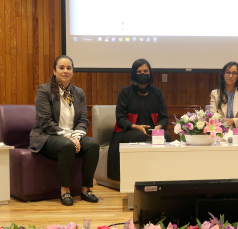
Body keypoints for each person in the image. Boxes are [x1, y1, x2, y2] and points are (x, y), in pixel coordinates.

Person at [29, 55, 100, 206]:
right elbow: (45, 121)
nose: (65, 71)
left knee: (92, 144)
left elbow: (83, 120)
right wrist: (68, 137)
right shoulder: (44, 90)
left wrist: (75, 136)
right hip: (47, 136)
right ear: (54, 71)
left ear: (73, 72)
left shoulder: (78, 92)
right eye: (61, 68)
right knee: (66, 145)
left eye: (69, 68)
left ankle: (86, 189)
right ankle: (65, 190)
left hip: (71, 136)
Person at [107, 58, 172, 180]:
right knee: (139, 137)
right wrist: (137, 127)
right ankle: (136, 176)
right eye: (139, 71)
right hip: (130, 130)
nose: (143, 74)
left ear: (150, 73)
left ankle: (163, 175)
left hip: (153, 130)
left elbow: (164, 118)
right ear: (134, 74)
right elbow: (120, 118)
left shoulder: (157, 92)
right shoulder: (125, 92)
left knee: (167, 137)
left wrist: (158, 127)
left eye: (146, 71)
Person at [210, 61, 238, 141]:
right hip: (221, 131)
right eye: (228, 73)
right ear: (223, 75)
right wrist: (223, 124)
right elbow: (213, 116)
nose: (230, 76)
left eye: (234, 73)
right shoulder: (215, 93)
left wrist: (232, 121)